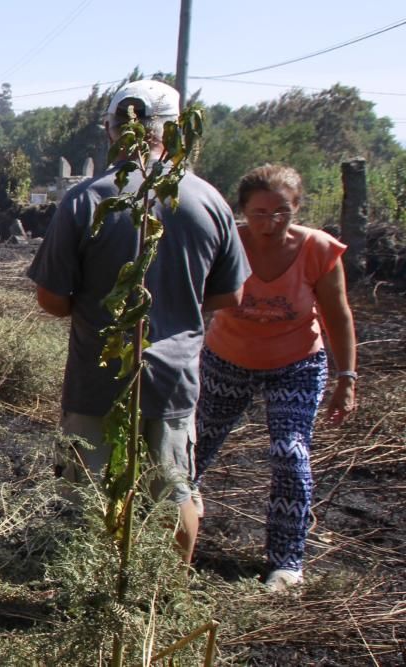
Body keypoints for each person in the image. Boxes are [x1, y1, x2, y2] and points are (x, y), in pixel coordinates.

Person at [27, 80, 250, 563]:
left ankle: (99, 596)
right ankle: (167, 597)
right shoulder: (208, 200)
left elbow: (51, 298)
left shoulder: (86, 201)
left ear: (112, 131)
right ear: (172, 134)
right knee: (174, 493)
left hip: (96, 379)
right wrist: (180, 305)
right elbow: (231, 293)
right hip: (174, 379)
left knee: (89, 497)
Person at [193, 164, 356, 591]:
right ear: (242, 211)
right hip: (228, 359)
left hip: (296, 364)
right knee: (194, 447)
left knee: (290, 453)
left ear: (296, 208)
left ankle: (286, 561)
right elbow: (195, 297)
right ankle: (160, 536)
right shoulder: (227, 242)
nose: (270, 223)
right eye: (260, 213)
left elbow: (337, 316)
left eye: (281, 212)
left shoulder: (318, 250)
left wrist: (347, 378)